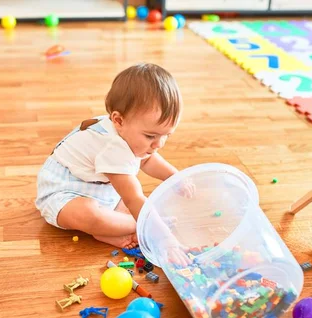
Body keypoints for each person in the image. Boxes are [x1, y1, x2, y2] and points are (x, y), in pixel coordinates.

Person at [35, 63, 193, 255]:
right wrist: (164, 237)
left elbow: (148, 160)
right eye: (151, 136)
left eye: (167, 135)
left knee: (128, 208)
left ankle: (113, 230)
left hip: (100, 188)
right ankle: (137, 226)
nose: (159, 144)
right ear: (118, 120)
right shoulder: (113, 147)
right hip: (64, 190)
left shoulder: (128, 128)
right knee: (91, 215)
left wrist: (175, 177)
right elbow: (132, 197)